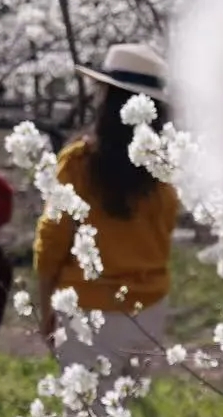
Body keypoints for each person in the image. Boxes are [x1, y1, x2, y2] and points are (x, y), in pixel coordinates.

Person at [35, 43, 180, 375]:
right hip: (149, 309)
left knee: (88, 407)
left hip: (88, 309)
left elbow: (52, 239)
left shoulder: (79, 164)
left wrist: (44, 306)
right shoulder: (164, 169)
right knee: (123, 403)